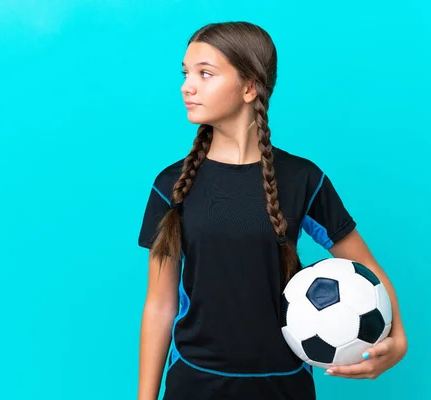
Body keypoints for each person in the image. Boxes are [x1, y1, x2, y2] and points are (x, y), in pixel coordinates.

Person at [137, 21, 408, 400]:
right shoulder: (170, 186)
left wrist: (399, 341)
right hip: (194, 384)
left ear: (250, 87)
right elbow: (160, 305)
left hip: (285, 386)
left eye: (205, 73)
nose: (187, 85)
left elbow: (367, 267)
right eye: (186, 73)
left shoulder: (303, 180)